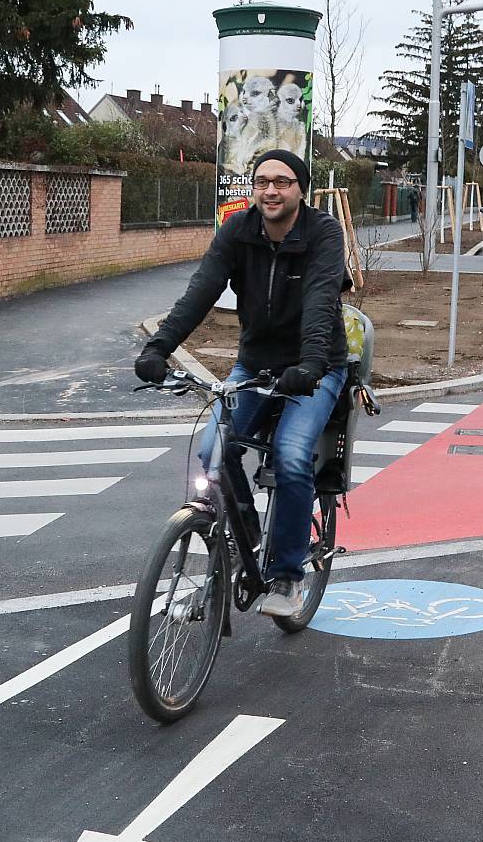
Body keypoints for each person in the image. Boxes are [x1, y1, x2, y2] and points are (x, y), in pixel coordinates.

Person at [135, 149, 349, 618]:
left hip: (317, 367)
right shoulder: (239, 230)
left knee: (292, 459)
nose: (270, 190)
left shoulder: (323, 232)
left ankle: (289, 576)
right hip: (255, 363)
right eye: (262, 181)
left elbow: (319, 299)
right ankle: (241, 547)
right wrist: (160, 346)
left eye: (283, 182)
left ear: (301, 189)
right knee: (214, 451)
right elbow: (202, 289)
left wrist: (312, 364)